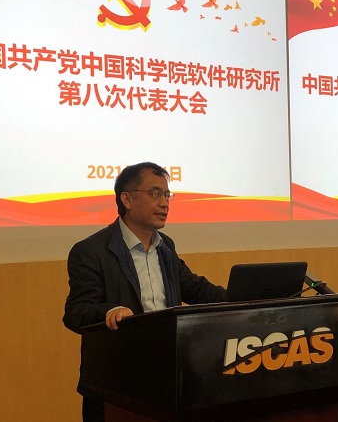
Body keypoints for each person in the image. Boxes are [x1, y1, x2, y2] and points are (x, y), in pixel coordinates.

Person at [63, 161, 226, 422]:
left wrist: (244, 296)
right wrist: (111, 311)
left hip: (166, 379)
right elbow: (75, 312)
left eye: (167, 194)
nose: (164, 203)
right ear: (127, 199)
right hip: (117, 386)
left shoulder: (166, 247)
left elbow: (195, 288)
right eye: (154, 193)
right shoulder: (91, 251)